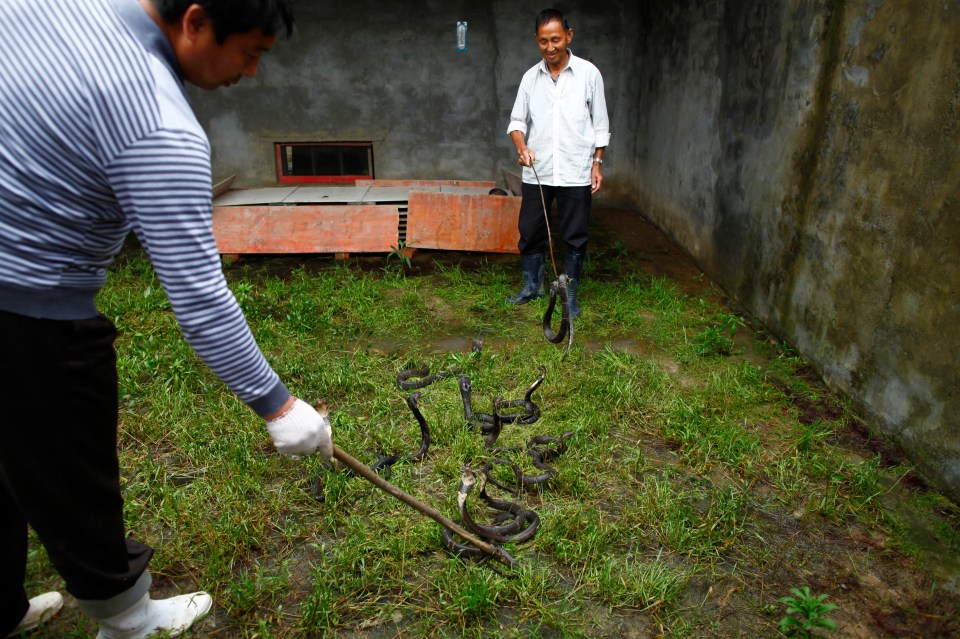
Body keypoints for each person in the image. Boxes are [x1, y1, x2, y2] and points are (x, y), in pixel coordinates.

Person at [0, 1, 333, 637]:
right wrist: (279, 407)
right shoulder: (158, 121)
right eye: (251, 52)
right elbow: (200, 295)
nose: (253, 72)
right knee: (69, 468)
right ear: (197, 21)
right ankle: (128, 620)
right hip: (31, 311)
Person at [506, 8, 610, 318]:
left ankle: (571, 296)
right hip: (539, 171)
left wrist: (597, 163)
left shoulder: (589, 74)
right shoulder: (530, 78)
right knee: (531, 230)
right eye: (543, 41)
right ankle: (531, 286)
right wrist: (522, 146)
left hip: (576, 169)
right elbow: (516, 121)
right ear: (536, 42)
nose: (550, 47)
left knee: (575, 233)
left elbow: (600, 123)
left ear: (568, 36)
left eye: (555, 39)